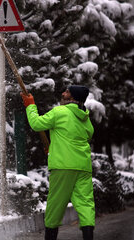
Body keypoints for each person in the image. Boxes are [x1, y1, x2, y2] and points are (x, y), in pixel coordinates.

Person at [20, 85, 95, 240]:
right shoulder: (85, 118)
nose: (63, 93)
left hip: (63, 166)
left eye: (67, 92)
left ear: (73, 98)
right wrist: (54, 147)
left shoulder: (60, 112)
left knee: (55, 205)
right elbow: (80, 138)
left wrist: (30, 105)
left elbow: (36, 124)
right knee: (86, 204)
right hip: (83, 167)